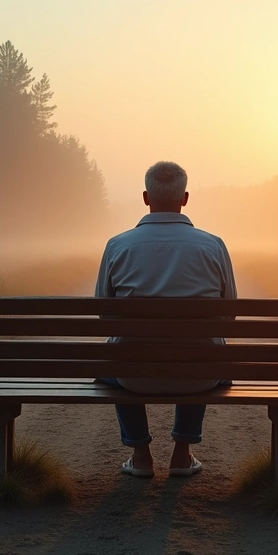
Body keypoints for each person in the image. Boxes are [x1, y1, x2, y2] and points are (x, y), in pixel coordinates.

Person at [95, 161, 238, 478]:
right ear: (184, 199)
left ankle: (141, 456)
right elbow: (228, 316)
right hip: (199, 375)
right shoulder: (213, 246)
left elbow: (105, 315)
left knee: (115, 352)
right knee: (206, 347)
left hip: (133, 375)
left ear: (146, 198)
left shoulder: (117, 245)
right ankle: (182, 454)